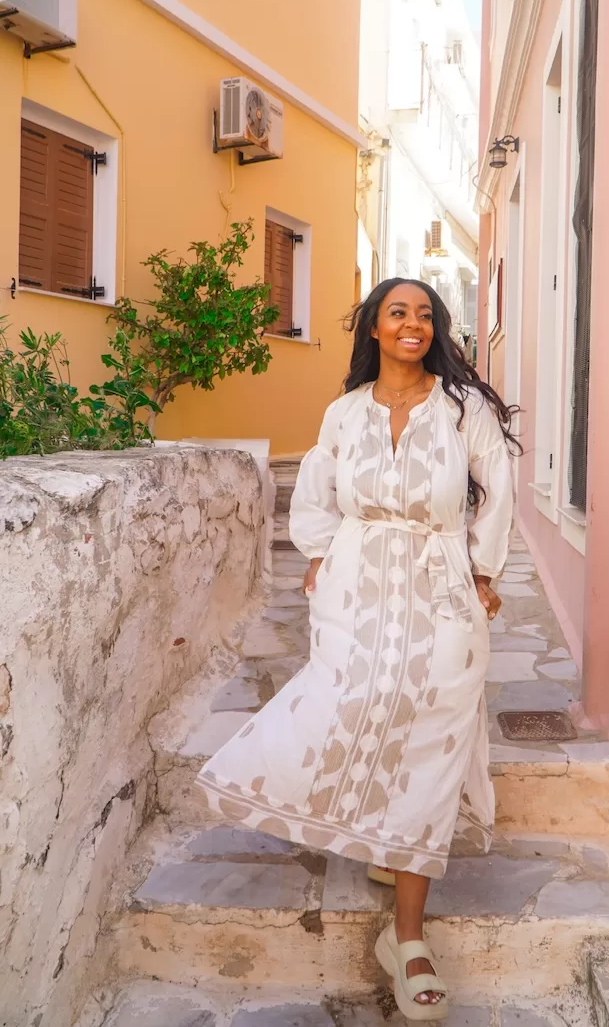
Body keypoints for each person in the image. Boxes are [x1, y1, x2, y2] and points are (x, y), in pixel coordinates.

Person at [197, 279, 517, 1020]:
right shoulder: (345, 413)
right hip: (355, 584)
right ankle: (377, 835)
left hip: (440, 590)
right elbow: (316, 487)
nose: (413, 324)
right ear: (374, 327)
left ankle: (406, 939)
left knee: (431, 737)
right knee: (346, 703)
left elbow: (495, 489)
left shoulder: (463, 410)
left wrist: (483, 570)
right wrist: (315, 550)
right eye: (398, 312)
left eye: (425, 315)